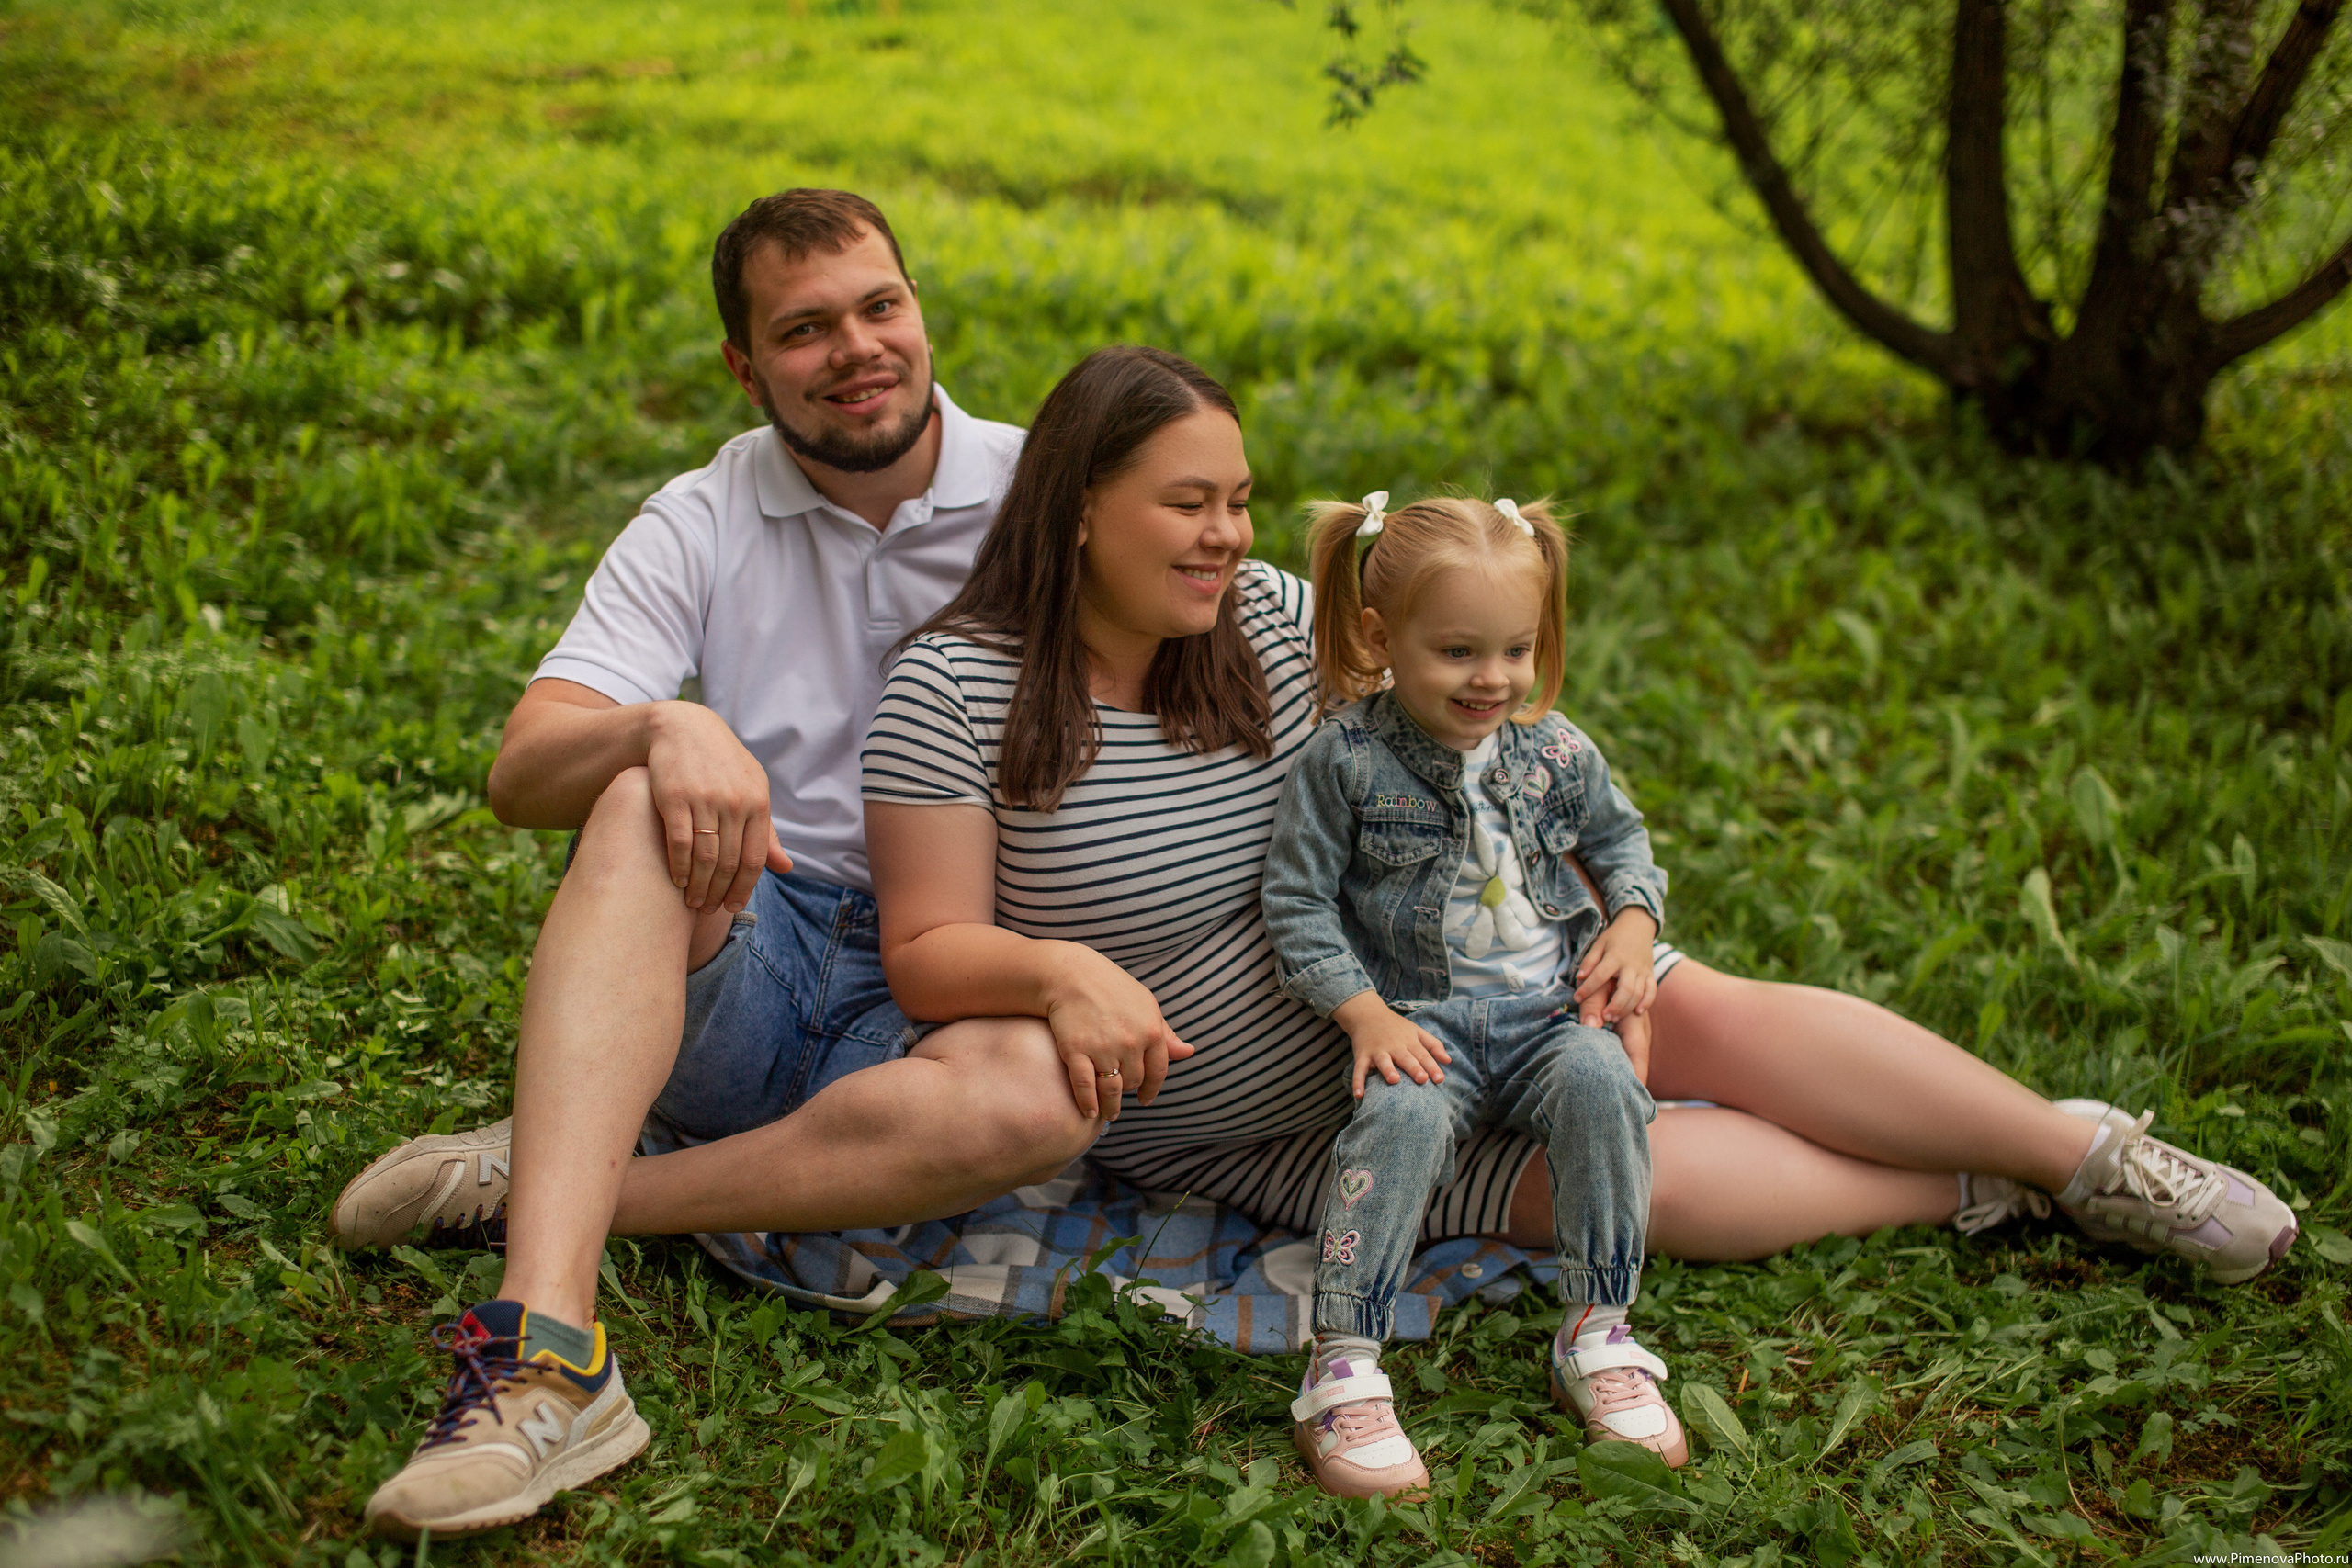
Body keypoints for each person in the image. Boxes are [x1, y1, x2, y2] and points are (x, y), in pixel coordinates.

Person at [862, 345, 2297, 1460]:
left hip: (1458, 975)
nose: (1228, 534)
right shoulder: (955, 690)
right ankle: (1981, 1183)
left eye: (1238, 499)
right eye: (1190, 502)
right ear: (1075, 505)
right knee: (1602, 1189)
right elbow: (926, 953)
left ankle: (2086, 1154)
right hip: (1272, 1112)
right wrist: (1057, 974)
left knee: (1688, 1006)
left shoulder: (1273, 625)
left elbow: (1467, 734)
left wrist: (1610, 916)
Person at [329, 190, 1114, 1541]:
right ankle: (550, 1356)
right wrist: (669, 720)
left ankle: (555, 1183)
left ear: (920, 310)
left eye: (880, 306)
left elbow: (1256, 653)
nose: (857, 348)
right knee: (636, 798)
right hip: (751, 948)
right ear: (748, 370)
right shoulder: (700, 513)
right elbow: (523, 770)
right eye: (804, 329)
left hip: (955, 972)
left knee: (1056, 1091)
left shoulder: (1058, 495)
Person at [1261, 492, 1682, 1498]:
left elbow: (1622, 843)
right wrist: (1361, 1013)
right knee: (1397, 1122)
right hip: (1421, 1027)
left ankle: (1598, 1330)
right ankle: (1343, 1359)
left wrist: (1633, 922)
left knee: (1605, 1087)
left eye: (1514, 649)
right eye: (1457, 652)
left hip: (1549, 1019)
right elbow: (1297, 898)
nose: (1491, 679)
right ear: (1380, 635)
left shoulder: (1554, 751)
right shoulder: (1348, 763)